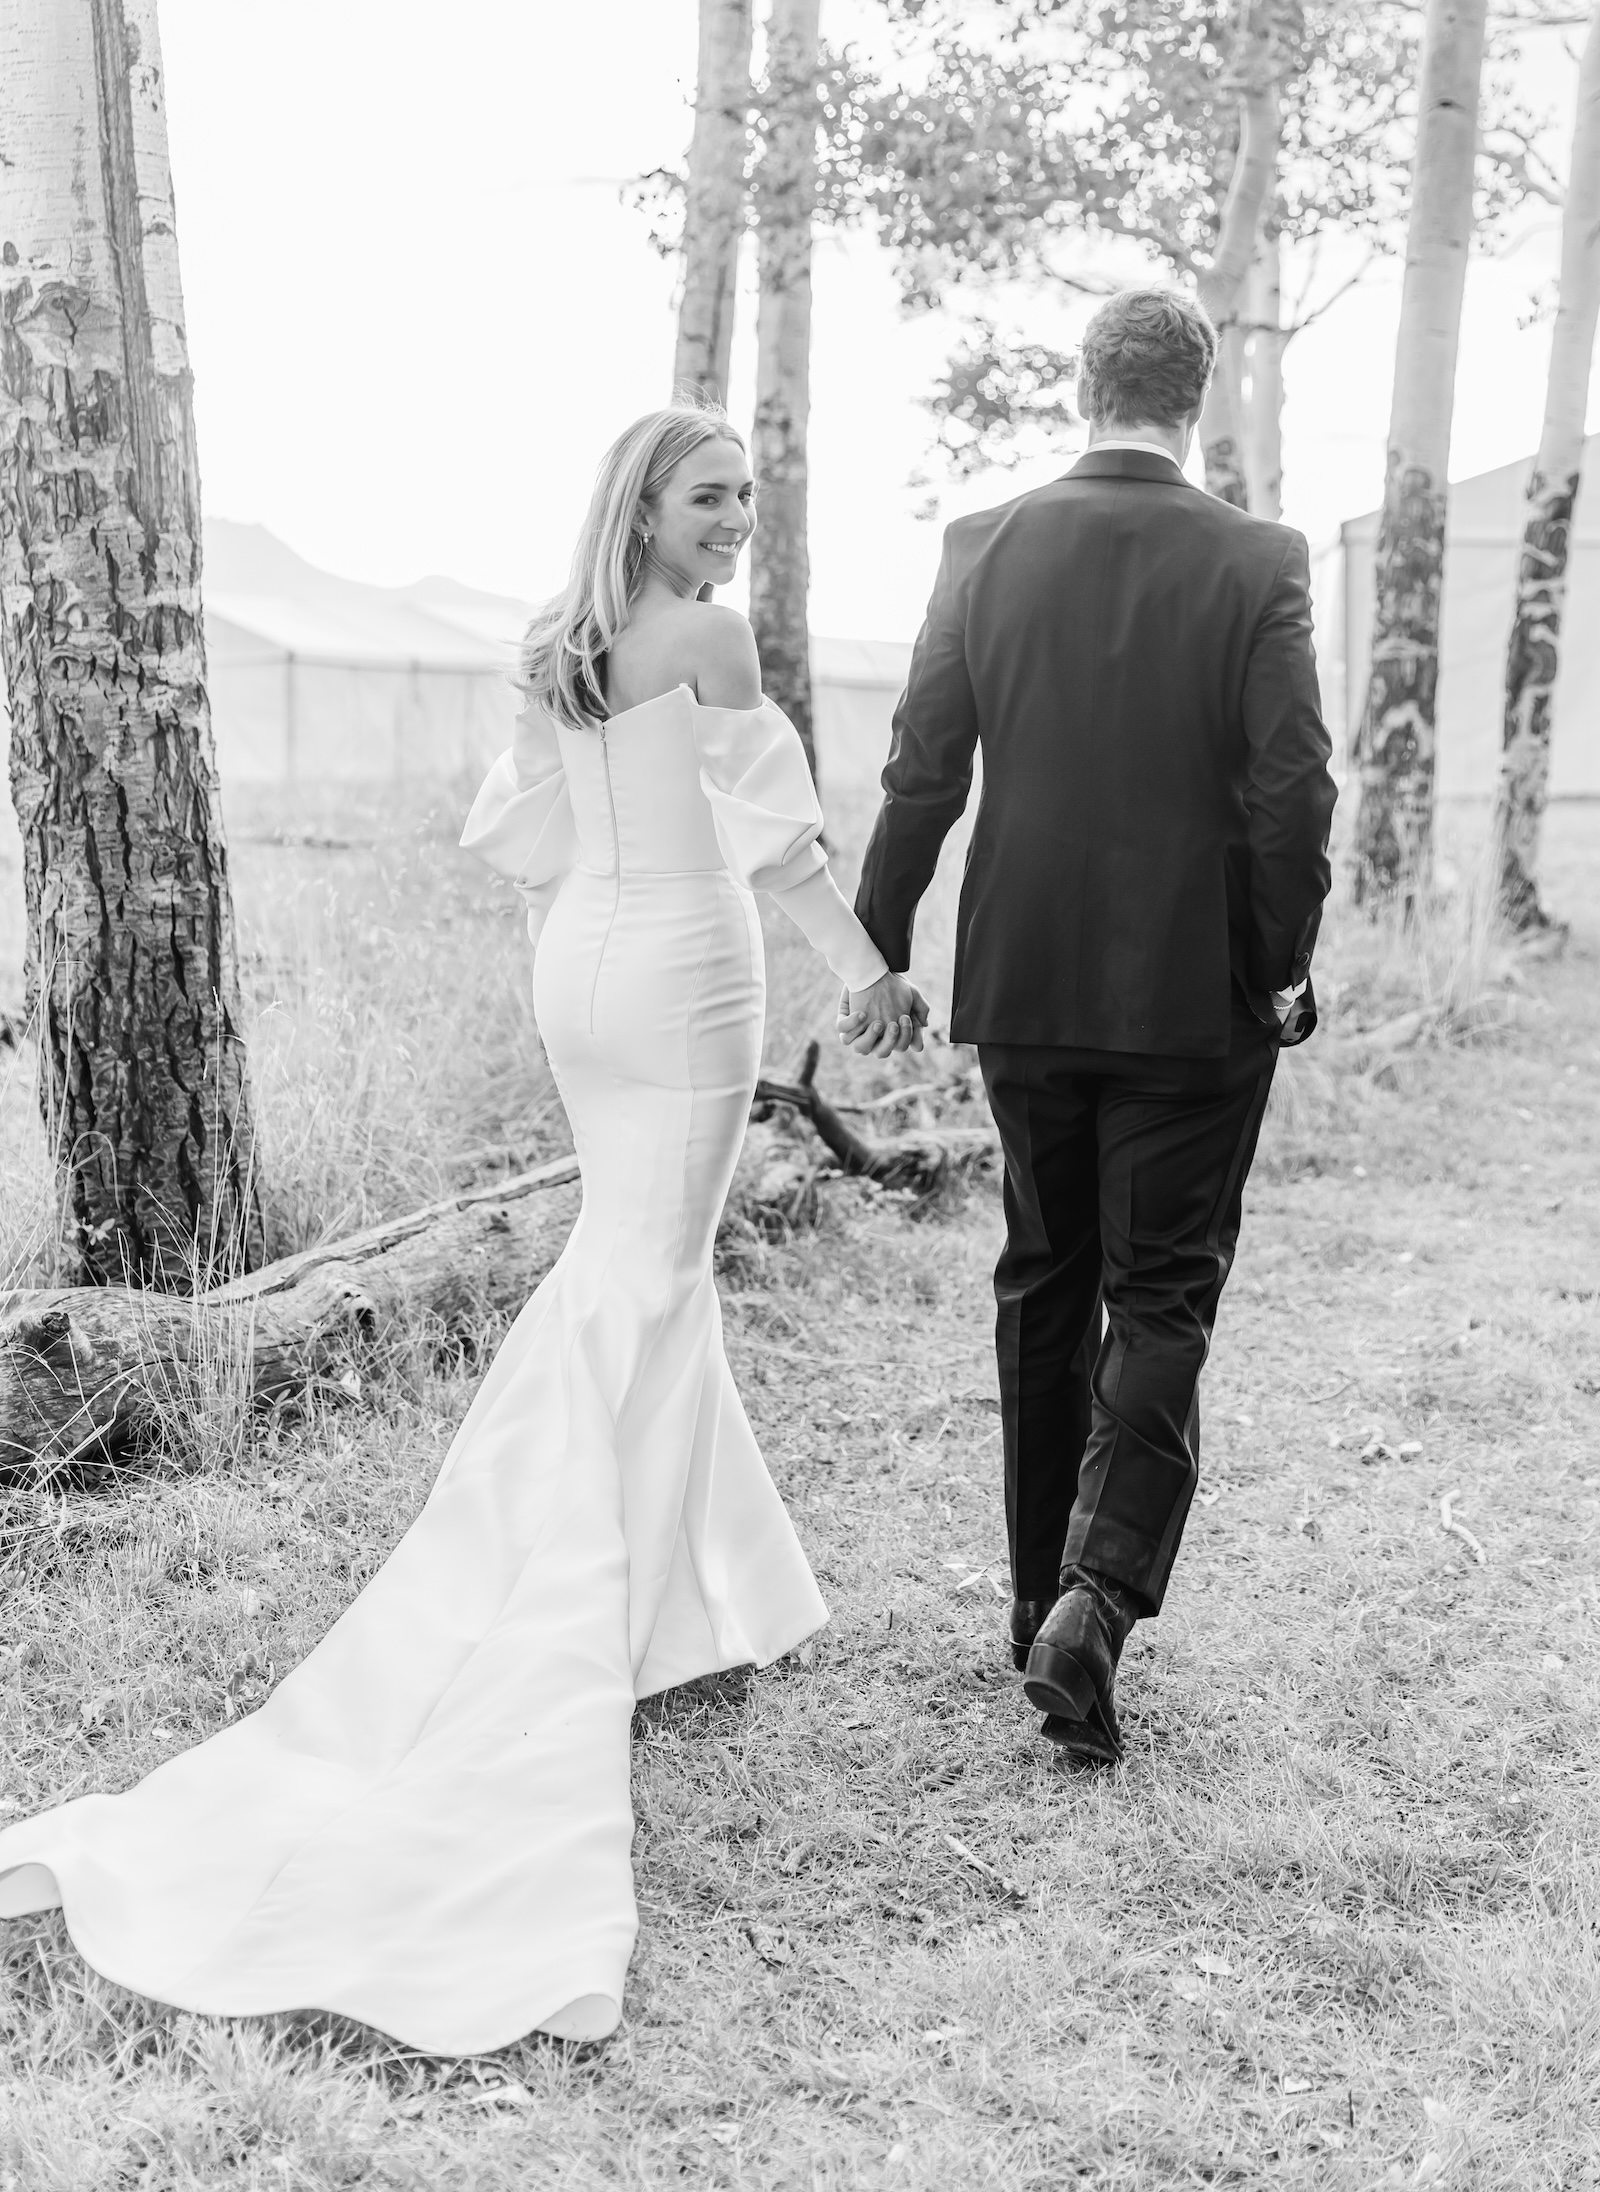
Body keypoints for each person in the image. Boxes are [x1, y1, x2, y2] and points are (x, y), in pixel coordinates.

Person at [0, 403, 926, 2051]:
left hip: (579, 964)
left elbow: (524, 832)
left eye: (747, 498)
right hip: (685, 973)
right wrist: (869, 980)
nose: (736, 522)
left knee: (635, 1268)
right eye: (711, 497)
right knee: (648, 1271)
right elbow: (779, 849)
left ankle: (711, 1593)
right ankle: (566, 1585)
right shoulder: (706, 638)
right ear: (644, 505)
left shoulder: (557, 645)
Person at [847, 287, 1337, 1767]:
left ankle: (1027, 1602)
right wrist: (1279, 964)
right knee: (1164, 1292)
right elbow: (1291, 791)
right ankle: (1098, 1595)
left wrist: (881, 944)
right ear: (1199, 396)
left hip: (1029, 983)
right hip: (1197, 999)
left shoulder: (983, 546)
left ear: (1084, 386)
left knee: (1041, 1277)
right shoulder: (1257, 556)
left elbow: (922, 767)